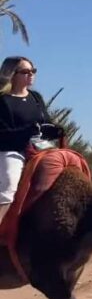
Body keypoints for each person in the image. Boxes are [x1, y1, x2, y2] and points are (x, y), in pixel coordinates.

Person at [0, 56, 54, 225]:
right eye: (25, 72)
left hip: (40, 147)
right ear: (11, 74)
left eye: (33, 71)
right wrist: (29, 130)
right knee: (9, 185)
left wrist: (53, 129)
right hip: (12, 150)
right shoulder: (3, 101)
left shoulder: (36, 97)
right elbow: (3, 134)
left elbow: (46, 121)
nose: (31, 75)